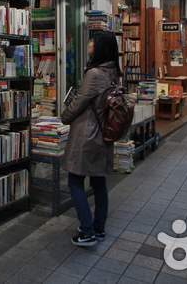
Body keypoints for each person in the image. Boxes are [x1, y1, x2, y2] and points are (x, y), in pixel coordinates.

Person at [61, 31, 120, 247]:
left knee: (75, 181)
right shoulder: (113, 72)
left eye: (92, 41)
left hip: (87, 134)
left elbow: (79, 103)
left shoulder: (95, 73)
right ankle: (98, 228)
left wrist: (64, 117)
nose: (89, 43)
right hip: (103, 133)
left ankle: (87, 232)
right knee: (98, 182)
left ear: (99, 47)